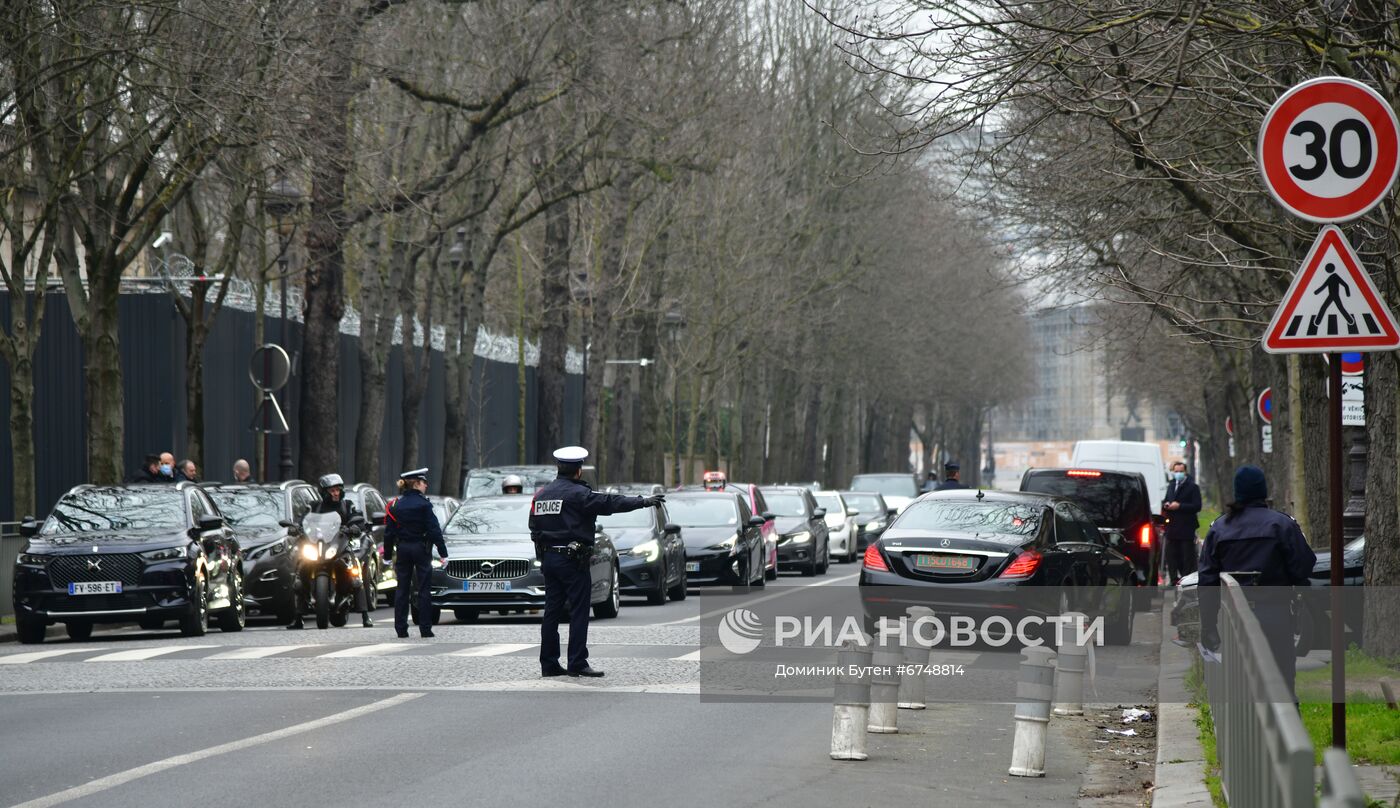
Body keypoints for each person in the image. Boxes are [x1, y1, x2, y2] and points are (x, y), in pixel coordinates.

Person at [530, 446, 664, 678]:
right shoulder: (578, 494)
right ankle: (577, 662)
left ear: (558, 468)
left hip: (549, 559)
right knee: (579, 611)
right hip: (573, 561)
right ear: (578, 471)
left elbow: (533, 527)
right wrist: (643, 501)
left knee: (551, 612)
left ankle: (549, 664)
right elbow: (611, 502)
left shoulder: (541, 495)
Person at [1197, 465, 1316, 696]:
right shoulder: (1282, 524)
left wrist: (1208, 625)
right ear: (1263, 491)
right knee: (1282, 678)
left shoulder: (1219, 529)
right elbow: (1303, 566)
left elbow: (1207, 582)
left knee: (1240, 680)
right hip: (1276, 612)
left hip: (1234, 617)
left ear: (1237, 492)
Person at [385, 468, 446, 639]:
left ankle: (401, 629)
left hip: (403, 549)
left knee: (402, 589)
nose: (426, 485)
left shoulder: (395, 505)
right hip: (421, 548)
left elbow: (389, 533)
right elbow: (434, 530)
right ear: (416, 484)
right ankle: (425, 629)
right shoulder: (424, 504)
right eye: (424, 482)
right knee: (424, 588)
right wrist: (443, 552)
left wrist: (387, 556)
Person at [1162, 461, 1203, 585]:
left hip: (1186, 528)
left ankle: (1186, 580)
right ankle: (1173, 579)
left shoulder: (1192, 487)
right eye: (1176, 471)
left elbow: (1197, 506)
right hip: (1172, 527)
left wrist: (1180, 506)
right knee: (1171, 555)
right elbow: (1166, 499)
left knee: (1186, 556)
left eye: (1181, 471)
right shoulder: (1171, 485)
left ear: (1185, 472)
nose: (1178, 474)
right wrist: (1166, 505)